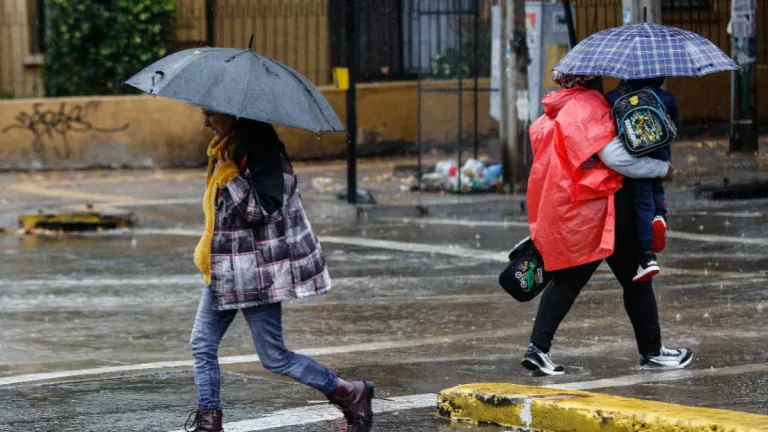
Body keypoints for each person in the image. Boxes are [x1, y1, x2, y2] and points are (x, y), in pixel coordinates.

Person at [184, 111, 374, 432]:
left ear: (233, 114)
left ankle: (348, 392)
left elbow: (261, 210)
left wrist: (230, 176)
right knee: (202, 344)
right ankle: (209, 424)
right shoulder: (227, 150)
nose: (206, 124)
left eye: (211, 115)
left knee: (274, 357)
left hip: (256, 274)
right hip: (226, 272)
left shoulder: (262, 153)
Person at [521, 71, 693, 376]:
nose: (604, 79)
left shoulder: (555, 109)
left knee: (570, 279)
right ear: (590, 79)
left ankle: (538, 349)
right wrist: (661, 168)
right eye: (598, 76)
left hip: (571, 206)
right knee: (635, 278)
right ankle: (652, 352)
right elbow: (615, 158)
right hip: (600, 207)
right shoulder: (588, 105)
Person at [605, 77, 681, 282]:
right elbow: (675, 128)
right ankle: (660, 216)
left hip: (636, 155)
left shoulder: (618, 98)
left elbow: (612, 117)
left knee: (641, 200)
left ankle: (647, 254)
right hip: (661, 155)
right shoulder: (667, 97)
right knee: (657, 190)